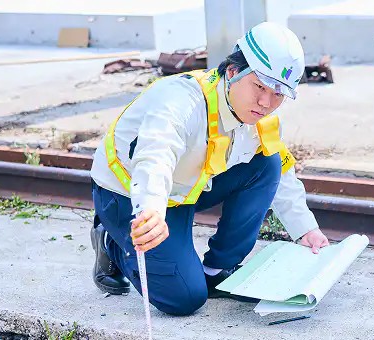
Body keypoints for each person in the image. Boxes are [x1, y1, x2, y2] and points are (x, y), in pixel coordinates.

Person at [89, 22, 330, 316]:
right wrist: (149, 211)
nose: (266, 103)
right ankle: (110, 239)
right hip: (129, 193)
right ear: (232, 72)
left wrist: (305, 229)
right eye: (259, 86)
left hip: (184, 189)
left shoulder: (259, 116)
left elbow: (280, 173)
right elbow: (155, 155)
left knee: (268, 163)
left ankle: (216, 269)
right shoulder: (182, 101)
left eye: (278, 94)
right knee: (183, 298)